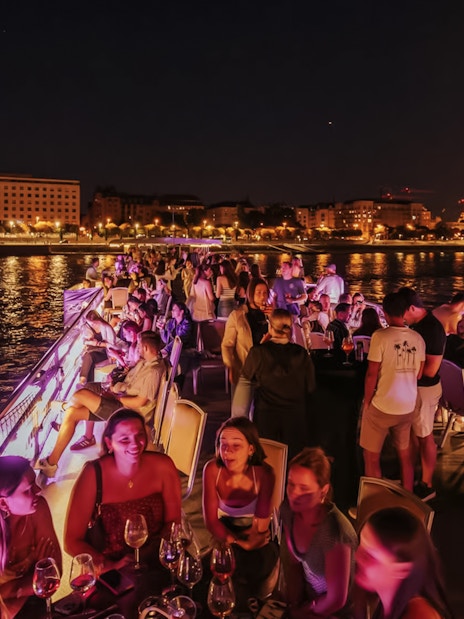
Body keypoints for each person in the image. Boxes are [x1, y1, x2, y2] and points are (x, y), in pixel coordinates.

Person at [35, 331, 167, 477]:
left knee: (81, 395)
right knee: (73, 413)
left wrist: (116, 398)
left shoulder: (153, 371)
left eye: (139, 346)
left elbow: (140, 401)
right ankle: (51, 464)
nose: (137, 349)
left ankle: (63, 407)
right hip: (121, 401)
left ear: (146, 348)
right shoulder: (144, 363)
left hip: (128, 413)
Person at [65, 409, 181, 572]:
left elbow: (174, 522)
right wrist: (108, 565)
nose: (135, 444)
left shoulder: (163, 466)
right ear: (109, 443)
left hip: (157, 559)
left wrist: (155, 556)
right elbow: (72, 541)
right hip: (109, 568)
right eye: (125, 439)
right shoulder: (93, 475)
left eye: (139, 435)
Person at [202, 417, 279, 607]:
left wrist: (246, 544)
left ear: (251, 449)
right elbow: (211, 521)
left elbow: (260, 527)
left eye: (236, 446)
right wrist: (238, 543)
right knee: (207, 579)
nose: (228, 451)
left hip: (259, 543)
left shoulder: (264, 474)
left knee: (243, 582)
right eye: (223, 444)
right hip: (224, 540)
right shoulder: (212, 470)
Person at [281, 447, 357, 619]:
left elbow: (336, 600)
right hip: (308, 602)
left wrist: (303, 613)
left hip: (336, 612)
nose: (294, 494)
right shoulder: (288, 512)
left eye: (304, 488)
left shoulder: (334, 533)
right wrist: (292, 605)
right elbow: (294, 565)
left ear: (323, 491)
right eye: (291, 484)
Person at [360, 292, 426, 491]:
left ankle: (376, 501)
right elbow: (419, 374)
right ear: (405, 312)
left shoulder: (380, 336)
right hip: (406, 407)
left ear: (385, 313)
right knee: (405, 456)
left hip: (382, 406)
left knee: (371, 457)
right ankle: (408, 499)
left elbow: (372, 374)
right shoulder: (418, 338)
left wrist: (367, 401)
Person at [232, 309, 316, 459]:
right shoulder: (301, 353)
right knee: (292, 463)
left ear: (270, 327)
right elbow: (311, 387)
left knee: (268, 466)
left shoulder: (258, 352)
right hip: (296, 420)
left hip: (267, 419)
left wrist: (239, 423)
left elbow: (244, 385)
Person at [354, 507, 452, 619]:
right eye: (360, 544)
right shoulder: (388, 602)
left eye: (370, 556)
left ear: (403, 569)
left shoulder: (420, 615)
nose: (357, 556)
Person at [398, 287, 446, 501]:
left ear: (411, 308)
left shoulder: (432, 329)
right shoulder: (417, 326)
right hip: (413, 389)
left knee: (426, 437)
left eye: (402, 313)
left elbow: (430, 370)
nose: (401, 318)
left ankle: (427, 484)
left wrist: (402, 367)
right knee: (414, 435)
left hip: (425, 391)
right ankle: (414, 476)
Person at [0, 456, 61, 618]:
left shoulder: (38, 509)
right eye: (27, 489)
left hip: (34, 604)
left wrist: (9, 591)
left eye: (34, 483)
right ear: (3, 504)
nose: (38, 490)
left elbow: (53, 575)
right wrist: (32, 580)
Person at [222, 278, 272, 387]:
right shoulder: (237, 316)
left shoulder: (270, 316)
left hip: (267, 370)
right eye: (258, 293)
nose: (262, 296)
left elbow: (284, 338)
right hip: (245, 370)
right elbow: (227, 345)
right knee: (242, 403)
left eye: (265, 293)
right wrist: (231, 365)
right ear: (250, 294)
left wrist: (274, 318)